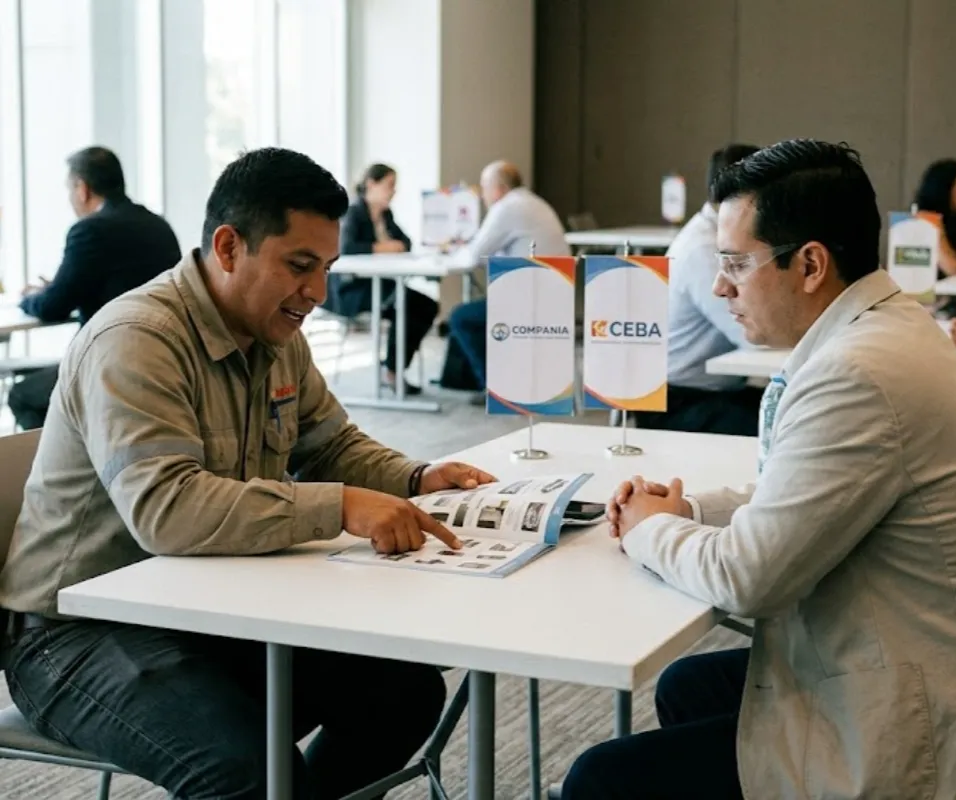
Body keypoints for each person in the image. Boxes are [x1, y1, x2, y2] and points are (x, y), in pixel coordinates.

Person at [0, 147, 497, 799]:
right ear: (229, 247)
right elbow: (167, 512)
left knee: (402, 690)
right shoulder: (136, 340)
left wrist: (418, 476)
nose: (318, 293)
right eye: (300, 266)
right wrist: (342, 505)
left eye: (326, 269)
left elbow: (330, 445)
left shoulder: (275, 333)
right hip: (75, 633)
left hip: (202, 606)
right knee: (252, 776)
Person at [563, 140, 956, 799]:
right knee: (687, 686)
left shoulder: (857, 372)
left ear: (811, 264)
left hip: (910, 715)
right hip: (904, 648)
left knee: (600, 780)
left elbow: (746, 579)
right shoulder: (886, 327)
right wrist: (687, 512)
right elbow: (795, 488)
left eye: (736, 264)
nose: (720, 286)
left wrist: (649, 529)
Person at [8, 146, 181, 430]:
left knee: (22, 395)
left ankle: (63, 457)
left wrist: (28, 298)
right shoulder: (158, 226)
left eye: (69, 189)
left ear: (82, 189)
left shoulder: (90, 230)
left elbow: (52, 306)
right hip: (164, 363)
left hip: (108, 366)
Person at [636, 144, 761, 436]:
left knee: (796, 413)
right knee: (786, 425)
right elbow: (750, 335)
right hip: (676, 402)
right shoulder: (704, 250)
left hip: (708, 391)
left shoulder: (717, 236)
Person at [446, 160, 570, 400]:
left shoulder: (507, 208)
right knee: (476, 311)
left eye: (484, 187)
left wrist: (450, 253)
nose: (482, 195)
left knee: (461, 318)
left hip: (530, 300)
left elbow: (474, 256)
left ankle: (496, 387)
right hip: (555, 294)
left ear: (499, 189)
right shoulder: (533, 203)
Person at [324, 163, 439, 395]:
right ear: (371, 184)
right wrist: (383, 247)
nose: (393, 191)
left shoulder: (385, 215)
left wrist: (391, 245)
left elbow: (406, 243)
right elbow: (347, 248)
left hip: (378, 285)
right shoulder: (354, 212)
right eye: (389, 185)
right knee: (405, 305)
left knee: (426, 306)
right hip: (350, 290)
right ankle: (392, 373)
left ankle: (393, 367)